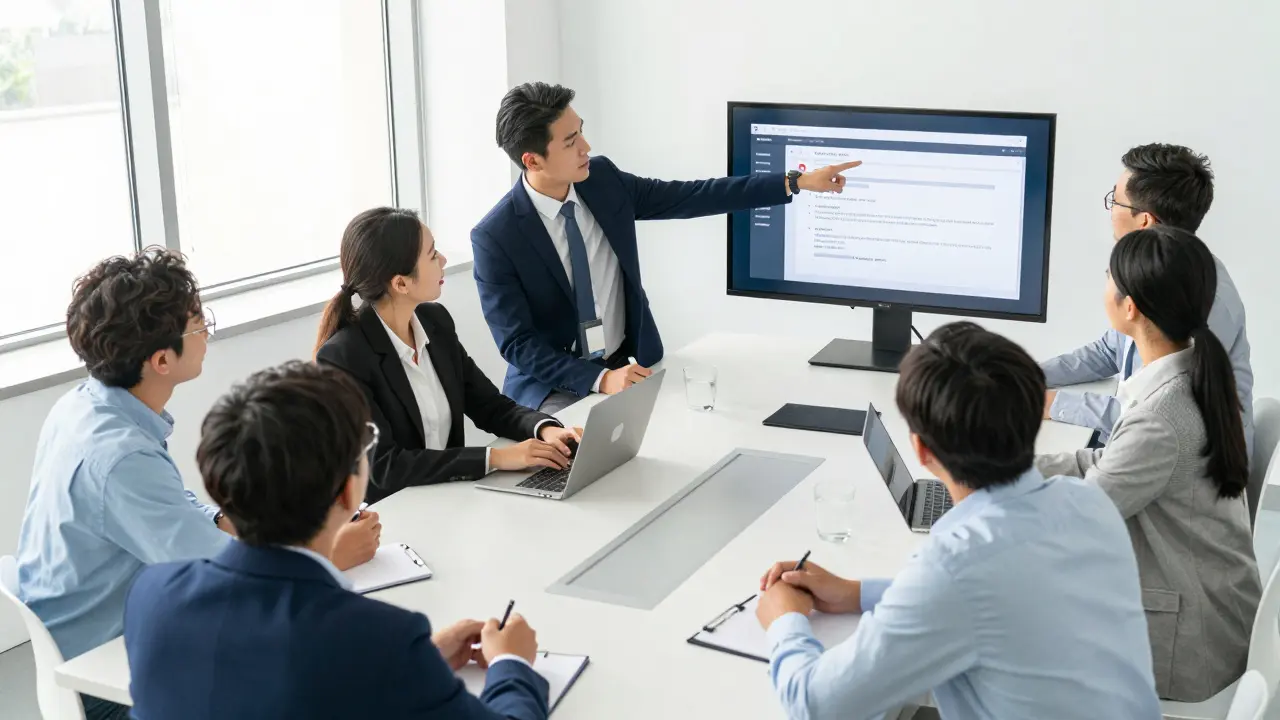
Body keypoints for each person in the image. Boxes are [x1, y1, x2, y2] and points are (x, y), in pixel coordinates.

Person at [14, 249, 378, 720]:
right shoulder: (120, 455)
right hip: (105, 682)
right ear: (162, 359)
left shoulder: (86, 406)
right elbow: (228, 586)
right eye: (196, 322)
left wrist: (223, 519)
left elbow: (169, 511)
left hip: (89, 644)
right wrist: (326, 552)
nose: (206, 331)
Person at [755, 322, 1161, 720]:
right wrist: (857, 593)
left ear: (921, 449)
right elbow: (997, 595)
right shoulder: (1088, 504)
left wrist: (783, 619)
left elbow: (816, 705)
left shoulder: (956, 567)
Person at [124, 361, 550, 719]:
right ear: (350, 491)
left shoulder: (152, 597)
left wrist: (425, 664)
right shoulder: (379, 639)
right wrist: (511, 663)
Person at [472, 82, 860, 412]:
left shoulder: (602, 180)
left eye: (582, 132)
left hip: (627, 365)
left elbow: (691, 196)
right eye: (571, 142)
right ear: (532, 160)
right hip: (552, 388)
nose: (586, 146)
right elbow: (518, 345)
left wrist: (793, 182)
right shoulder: (496, 237)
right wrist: (600, 379)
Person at [1036, 226, 1260, 701]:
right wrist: (1011, 469)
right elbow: (1111, 464)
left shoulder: (1161, 415)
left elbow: (1081, 516)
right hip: (1212, 610)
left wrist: (979, 490)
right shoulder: (1190, 373)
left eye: (1107, 278)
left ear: (1130, 307)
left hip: (1186, 643)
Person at [315, 207, 582, 502]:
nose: (443, 259)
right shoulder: (343, 358)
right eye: (432, 255)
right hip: (392, 514)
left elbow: (489, 405)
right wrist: (496, 458)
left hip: (450, 498)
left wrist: (544, 428)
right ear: (400, 283)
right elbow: (384, 466)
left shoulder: (435, 321)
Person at [1042, 143, 1254, 464]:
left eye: (1115, 201)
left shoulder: (1202, 299)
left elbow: (1154, 414)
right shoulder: (1154, 273)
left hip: (1190, 468)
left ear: (1144, 220)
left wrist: (1048, 403)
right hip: (1146, 444)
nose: (1110, 211)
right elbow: (1107, 352)